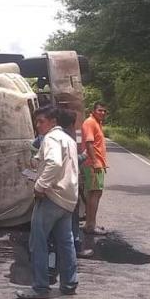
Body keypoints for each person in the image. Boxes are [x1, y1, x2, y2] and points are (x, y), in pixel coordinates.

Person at [16, 106, 79, 299]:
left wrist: (40, 186)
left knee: (38, 243)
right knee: (66, 243)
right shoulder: (69, 139)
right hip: (68, 198)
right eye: (37, 121)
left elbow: (55, 163)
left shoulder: (51, 138)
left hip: (51, 197)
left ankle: (40, 287)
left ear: (53, 122)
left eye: (41, 121)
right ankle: (69, 283)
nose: (38, 125)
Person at [56, 108, 93, 258]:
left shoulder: (50, 137)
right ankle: (76, 249)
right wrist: (85, 154)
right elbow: (74, 161)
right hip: (68, 186)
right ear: (72, 124)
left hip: (53, 188)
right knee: (72, 220)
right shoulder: (68, 140)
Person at [81, 102, 109, 235]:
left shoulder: (97, 123)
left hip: (97, 164)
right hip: (92, 164)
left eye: (104, 111)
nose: (102, 113)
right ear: (93, 110)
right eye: (100, 110)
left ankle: (91, 223)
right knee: (94, 194)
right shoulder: (90, 122)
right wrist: (95, 161)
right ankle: (90, 226)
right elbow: (89, 143)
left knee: (96, 193)